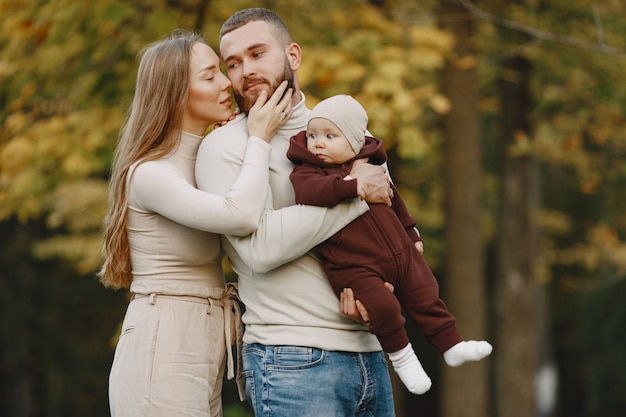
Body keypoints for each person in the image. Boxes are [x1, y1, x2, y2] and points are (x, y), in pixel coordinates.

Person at [195, 8, 398, 417]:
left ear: (293, 56)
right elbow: (261, 249)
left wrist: (389, 285)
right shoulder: (223, 149)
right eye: (233, 63)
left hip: (372, 352)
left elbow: (390, 234)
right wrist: (357, 191)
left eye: (257, 54)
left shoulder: (353, 134)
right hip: (291, 361)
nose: (245, 71)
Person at [99, 29, 293, 417]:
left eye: (222, 71)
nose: (227, 83)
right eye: (209, 76)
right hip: (163, 343)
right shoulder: (149, 173)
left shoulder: (207, 157)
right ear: (174, 94)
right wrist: (258, 138)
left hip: (202, 341)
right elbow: (239, 216)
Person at [286, 94, 493, 395]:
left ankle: (451, 345)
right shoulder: (308, 173)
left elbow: (396, 202)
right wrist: (353, 187)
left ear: (356, 140)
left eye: (331, 136)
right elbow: (310, 193)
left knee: (426, 293)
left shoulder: (372, 167)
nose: (319, 143)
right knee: (382, 306)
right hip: (354, 266)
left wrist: (413, 236)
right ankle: (404, 358)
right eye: (313, 135)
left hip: (399, 253)